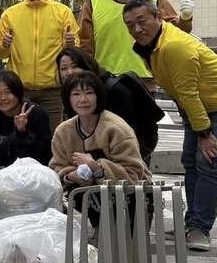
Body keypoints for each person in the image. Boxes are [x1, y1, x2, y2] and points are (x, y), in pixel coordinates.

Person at [124, 0, 217, 251]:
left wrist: (204, 132)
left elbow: (188, 92)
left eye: (141, 21)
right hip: (199, 105)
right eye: (130, 25)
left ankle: (200, 228)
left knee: (208, 160)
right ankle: (191, 223)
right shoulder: (153, 45)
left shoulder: (174, 46)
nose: (136, 29)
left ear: (157, 17)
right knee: (189, 160)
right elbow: (180, 90)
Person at [50, 71, 151, 228]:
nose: (82, 100)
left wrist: (96, 167)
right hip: (93, 197)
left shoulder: (116, 128)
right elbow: (57, 167)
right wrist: (71, 175)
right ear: (68, 99)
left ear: (98, 96)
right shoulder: (63, 131)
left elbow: (133, 174)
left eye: (89, 93)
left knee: (125, 245)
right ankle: (100, 229)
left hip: (131, 197)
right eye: (76, 94)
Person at [0, 0, 79, 129]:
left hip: (52, 91)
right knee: (20, 134)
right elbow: (1, 53)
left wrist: (71, 44)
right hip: (19, 90)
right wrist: (4, 45)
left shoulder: (63, 12)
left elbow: (75, 51)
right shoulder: (10, 14)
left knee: (52, 137)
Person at [56, 47, 161, 163]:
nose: (69, 72)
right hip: (93, 155)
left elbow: (128, 135)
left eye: (75, 66)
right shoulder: (69, 92)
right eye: (63, 68)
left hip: (130, 151)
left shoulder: (114, 91)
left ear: (87, 66)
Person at [0, 70, 52, 188]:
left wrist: (22, 133)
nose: (2, 98)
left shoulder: (36, 114)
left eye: (8, 92)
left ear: (18, 93)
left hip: (33, 179)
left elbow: (44, 154)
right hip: (0, 179)